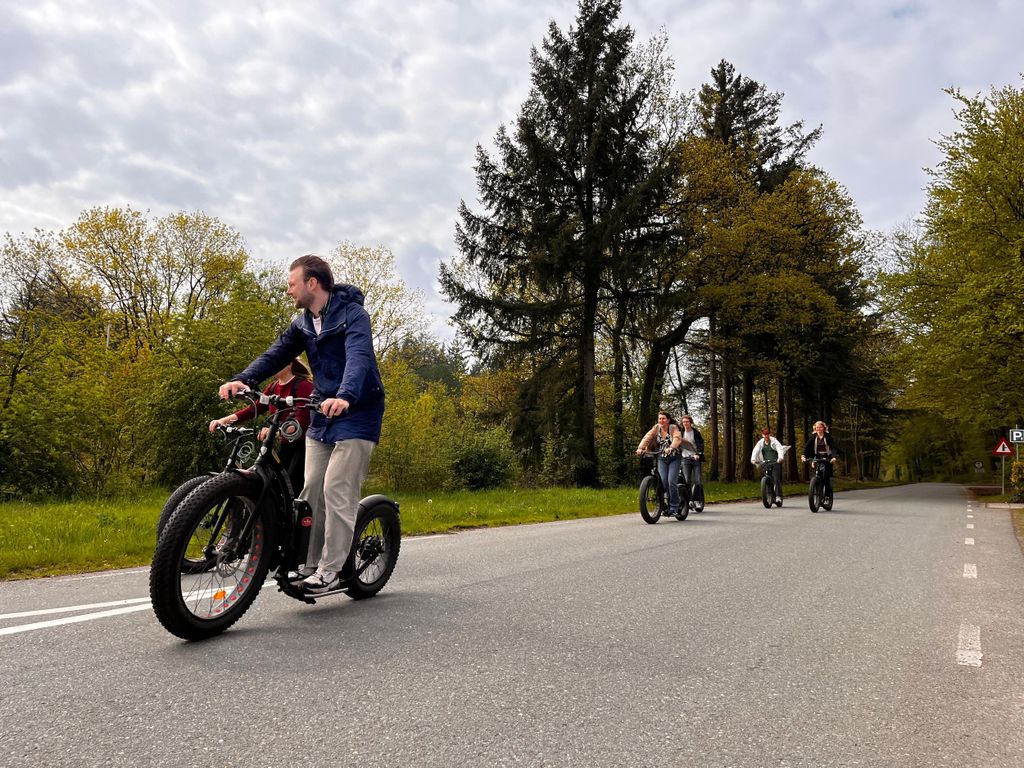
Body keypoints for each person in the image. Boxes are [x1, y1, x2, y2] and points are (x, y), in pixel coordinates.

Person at [219, 254, 385, 593]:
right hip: (323, 410)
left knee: (336, 488)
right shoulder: (304, 324)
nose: (288, 289)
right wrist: (243, 379)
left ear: (312, 283)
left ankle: (331, 570)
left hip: (357, 409)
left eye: (292, 283)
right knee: (310, 490)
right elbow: (276, 355)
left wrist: (346, 396)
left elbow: (359, 357)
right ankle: (310, 565)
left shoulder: (353, 315)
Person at [209, 358, 314, 494]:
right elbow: (255, 408)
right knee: (272, 482)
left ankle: (301, 514)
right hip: (285, 444)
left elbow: (303, 421)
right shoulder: (273, 387)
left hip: (304, 445)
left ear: (289, 364)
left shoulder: (303, 385)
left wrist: (274, 430)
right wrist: (224, 420)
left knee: (293, 482)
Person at [636, 411, 683, 517]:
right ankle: (664, 504)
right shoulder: (656, 428)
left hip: (674, 458)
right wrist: (640, 448)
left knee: (671, 482)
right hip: (662, 458)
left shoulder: (673, 428)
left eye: (663, 419)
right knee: (663, 482)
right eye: (660, 419)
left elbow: (677, 438)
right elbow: (647, 437)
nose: (661, 421)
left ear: (668, 420)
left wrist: (671, 447)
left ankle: (674, 507)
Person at [751, 426, 788, 504]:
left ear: (769, 434)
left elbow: (779, 449)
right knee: (767, 480)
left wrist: (780, 458)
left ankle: (778, 496)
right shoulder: (761, 442)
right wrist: (753, 459)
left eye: (767, 434)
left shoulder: (774, 441)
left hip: (775, 462)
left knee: (776, 479)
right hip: (766, 463)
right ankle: (769, 495)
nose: (766, 436)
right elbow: (755, 450)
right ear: (762, 435)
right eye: (764, 434)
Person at [801, 420, 840, 494]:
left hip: (827, 457)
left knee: (825, 476)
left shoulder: (828, 437)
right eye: (817, 427)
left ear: (823, 428)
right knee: (817, 473)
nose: (818, 429)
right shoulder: (813, 438)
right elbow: (806, 447)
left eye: (820, 427)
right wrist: (803, 456)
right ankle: (817, 487)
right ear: (815, 429)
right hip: (817, 456)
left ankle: (827, 495)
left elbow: (833, 447)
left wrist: (834, 457)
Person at [677, 414, 705, 508]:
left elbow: (701, 444)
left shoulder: (696, 432)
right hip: (685, 459)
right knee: (687, 481)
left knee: (697, 480)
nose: (685, 423)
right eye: (684, 422)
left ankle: (697, 500)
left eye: (687, 422)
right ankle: (689, 500)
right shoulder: (680, 432)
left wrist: (698, 454)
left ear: (691, 423)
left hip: (695, 459)